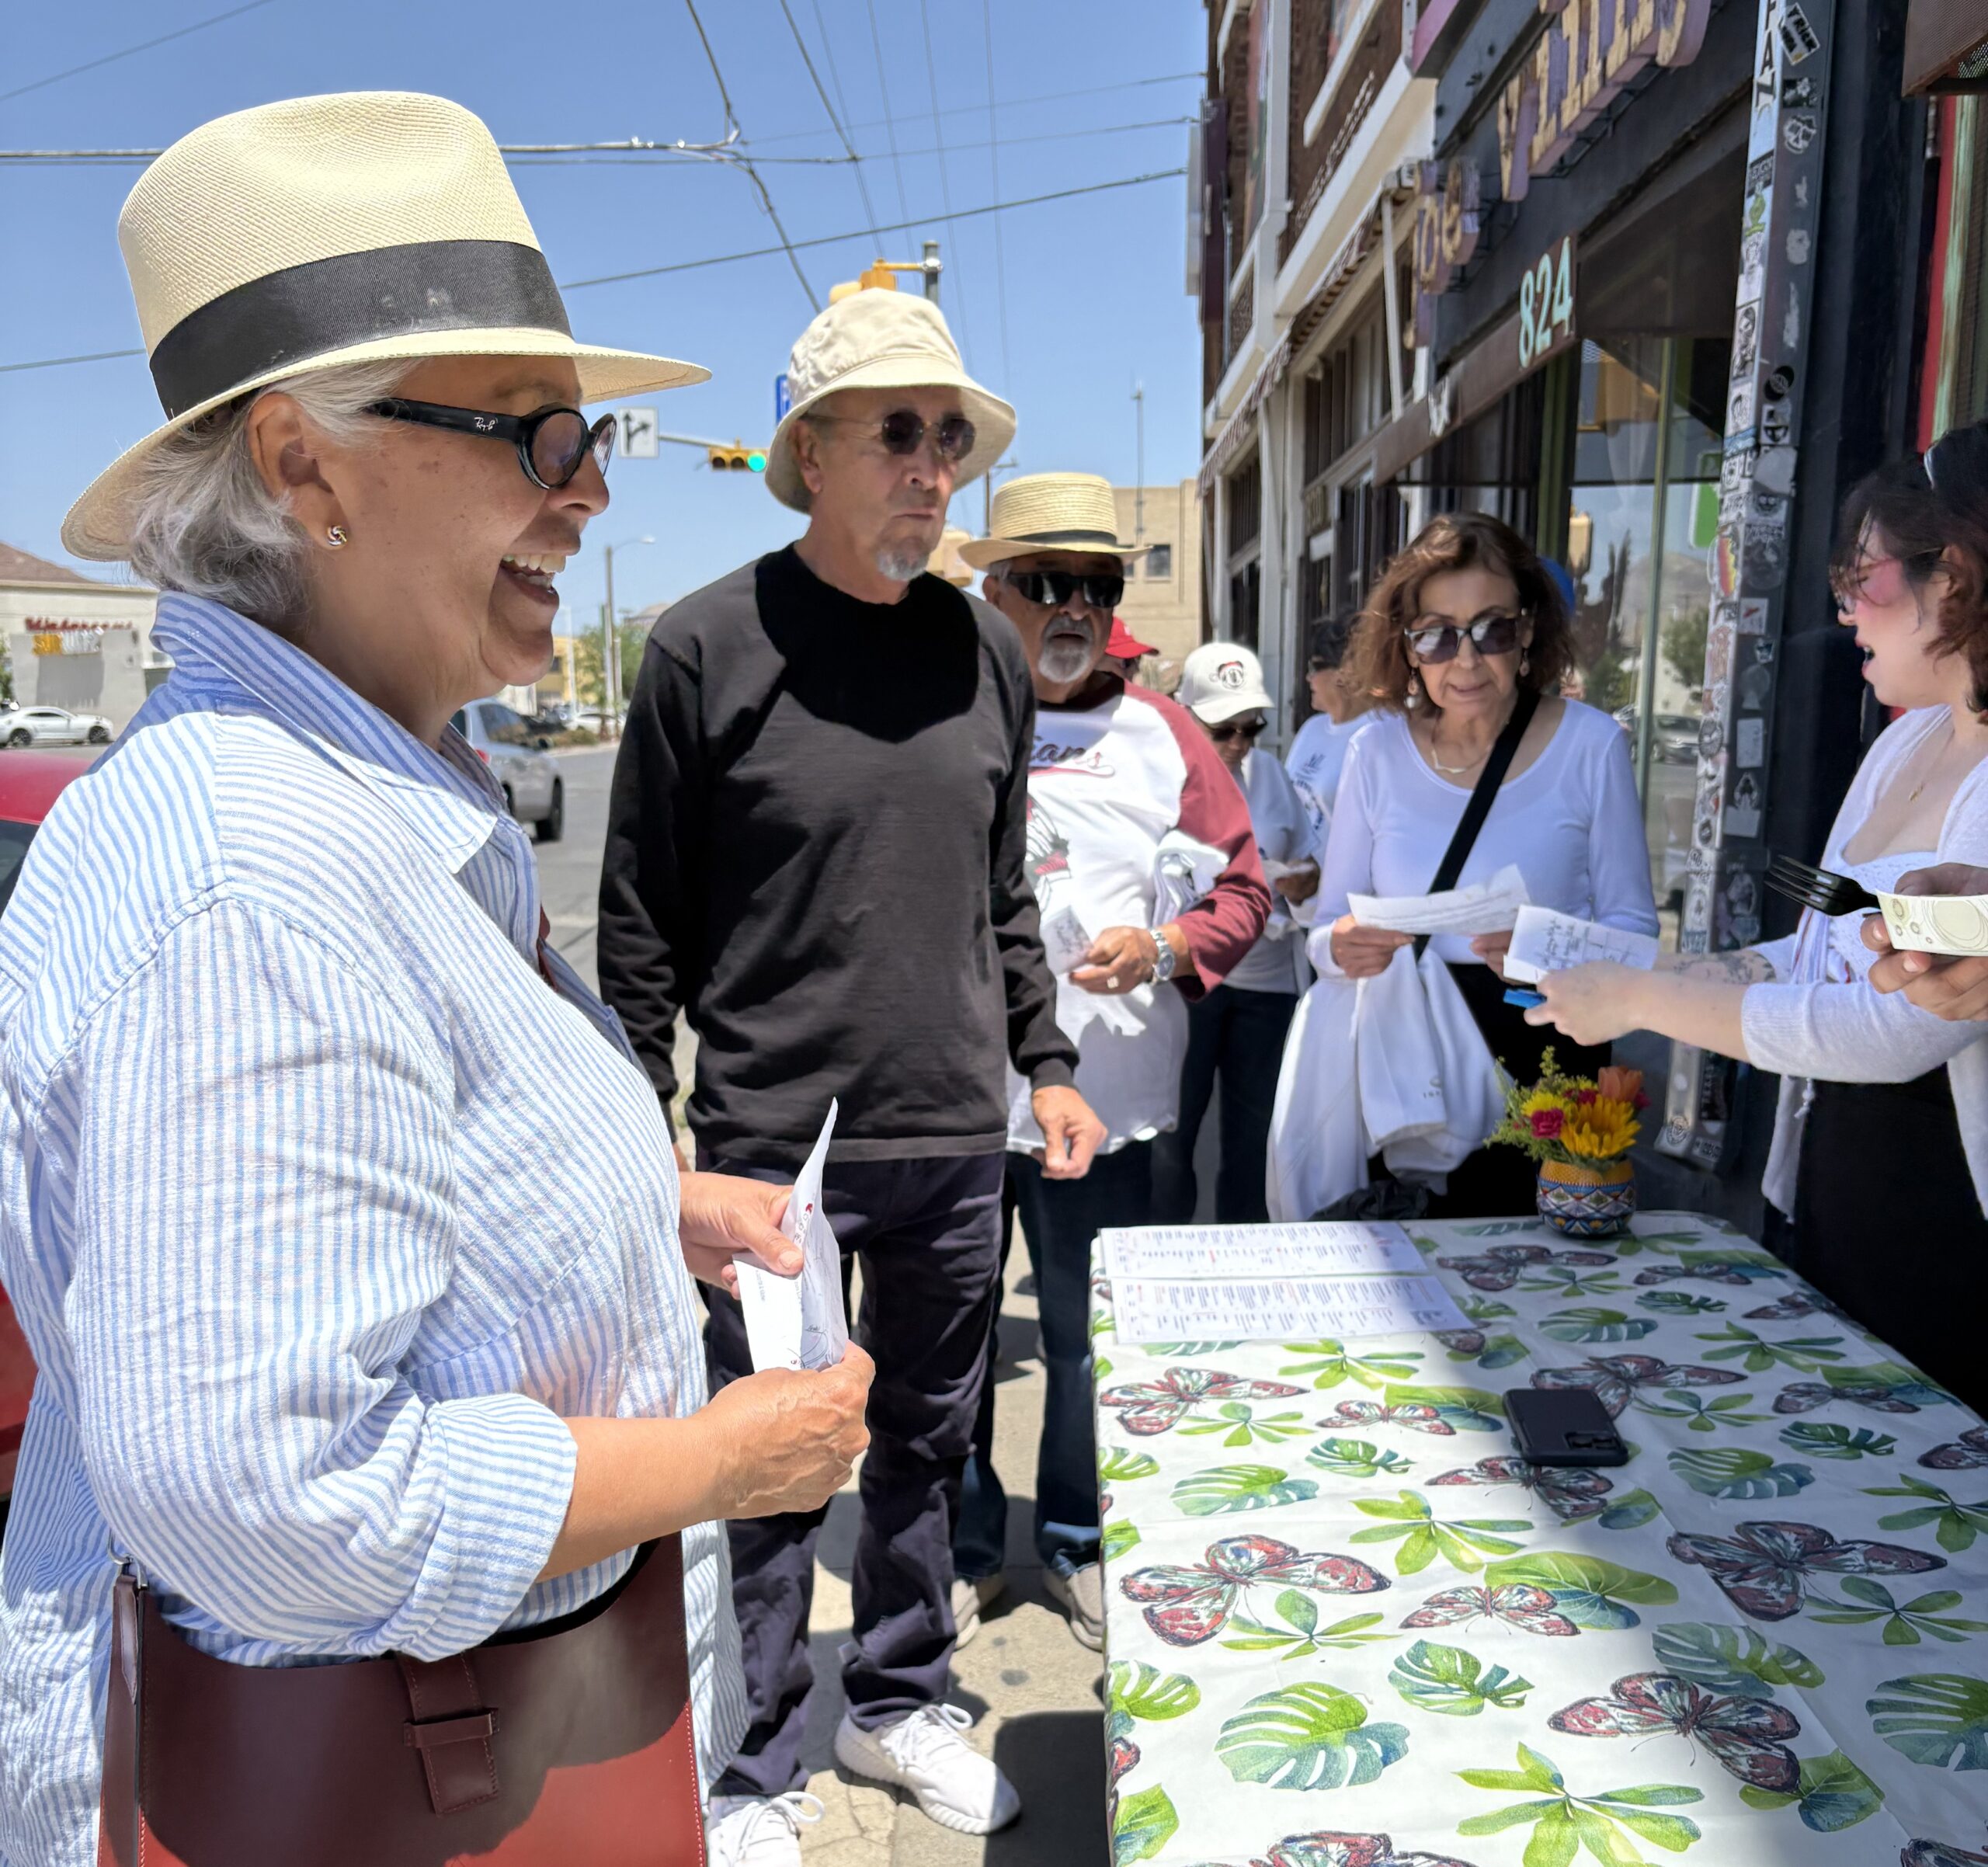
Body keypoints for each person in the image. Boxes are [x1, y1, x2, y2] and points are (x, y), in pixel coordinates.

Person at [0, 93, 874, 1867]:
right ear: (299, 464)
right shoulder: (260, 878)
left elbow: (392, 1192)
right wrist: (716, 1464)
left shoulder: (358, 797)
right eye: (530, 434)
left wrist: (639, 1203)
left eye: (588, 428)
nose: (590, 485)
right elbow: (273, 1491)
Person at [596, 294, 1104, 1853]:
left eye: (947, 434)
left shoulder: (984, 655)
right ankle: (746, 1767)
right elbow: (636, 932)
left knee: (925, 1446)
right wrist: (648, 1152)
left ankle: (893, 1701)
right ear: (807, 450)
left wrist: (1046, 1056)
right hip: (771, 1157)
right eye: (897, 430)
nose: (930, 464)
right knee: (763, 1467)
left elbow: (999, 893)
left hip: (953, 1133)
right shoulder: (701, 646)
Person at [1532, 440, 1988, 1407]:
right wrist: (1655, 971)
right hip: (1832, 1186)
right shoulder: (1906, 734)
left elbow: (1896, 1030)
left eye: (1856, 578)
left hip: (1942, 1219)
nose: (1839, 610)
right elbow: (1818, 950)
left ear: (1949, 579)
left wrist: (1643, 997)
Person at [948, 473, 1270, 1650]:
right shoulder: (944, 711)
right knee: (955, 1347)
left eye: (1098, 584)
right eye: (1047, 583)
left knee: (1088, 1347)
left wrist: (1170, 945)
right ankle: (967, 1546)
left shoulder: (1162, 730)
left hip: (1116, 1103)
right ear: (993, 593)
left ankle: (1081, 1538)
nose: (1074, 607)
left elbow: (1244, 888)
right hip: (953, 1106)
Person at [1282, 512, 1657, 1219]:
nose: (1465, 660)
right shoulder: (1374, 752)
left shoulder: (1592, 745)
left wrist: (1545, 952)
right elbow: (1327, 926)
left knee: (1545, 1295)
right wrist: (1338, 947)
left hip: (1545, 1059)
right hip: (1405, 1066)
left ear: (1528, 632)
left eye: (1492, 629)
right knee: (1409, 1283)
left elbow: (1635, 932)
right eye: (1437, 634)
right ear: (1408, 646)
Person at [1153, 643, 1316, 1222]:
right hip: (1187, 981)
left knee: (1252, 1143)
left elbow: (1309, 856)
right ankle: (1165, 1267)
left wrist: (1302, 882)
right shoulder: (1157, 774)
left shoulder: (1269, 773)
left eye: (1253, 727)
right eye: (1224, 729)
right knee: (1172, 1139)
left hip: (1266, 986)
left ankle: (1240, 1268)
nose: (1241, 743)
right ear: (1185, 713)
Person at [1284, 611, 1369, 851]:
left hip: (1343, 887)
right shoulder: (1312, 729)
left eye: (1316, 666)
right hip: (1298, 884)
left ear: (1346, 671)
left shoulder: (1377, 735)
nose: (1308, 677)